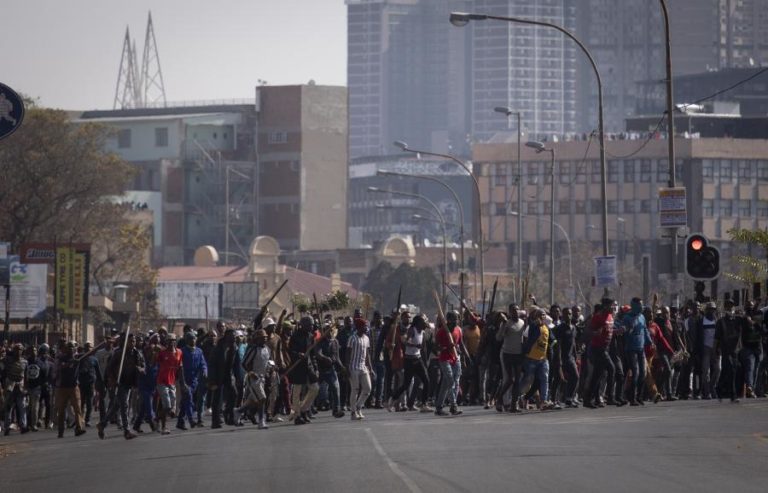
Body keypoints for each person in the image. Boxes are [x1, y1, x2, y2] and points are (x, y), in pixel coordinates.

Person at [98, 333, 144, 440]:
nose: (133, 343)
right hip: (119, 383)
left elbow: (143, 366)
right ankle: (126, 430)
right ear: (125, 342)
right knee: (124, 405)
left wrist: (140, 369)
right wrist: (112, 380)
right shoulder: (118, 354)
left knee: (117, 406)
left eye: (133, 341)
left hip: (130, 382)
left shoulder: (137, 354)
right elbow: (109, 369)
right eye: (130, 341)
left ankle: (102, 424)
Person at [56, 340, 103, 438]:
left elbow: (89, 353)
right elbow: (61, 367)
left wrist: (102, 344)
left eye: (72, 347)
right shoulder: (61, 358)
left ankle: (79, 428)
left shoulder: (78, 357)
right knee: (61, 410)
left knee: (78, 409)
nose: (71, 349)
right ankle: (61, 431)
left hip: (74, 387)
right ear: (65, 349)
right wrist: (71, 362)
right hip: (63, 387)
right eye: (69, 347)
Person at [388, 315, 432, 413]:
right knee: (406, 385)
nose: (425, 322)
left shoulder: (423, 332)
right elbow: (404, 341)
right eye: (423, 321)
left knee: (426, 381)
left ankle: (424, 404)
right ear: (418, 323)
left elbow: (423, 348)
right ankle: (392, 399)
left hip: (418, 359)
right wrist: (415, 345)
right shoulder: (412, 330)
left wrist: (425, 361)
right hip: (409, 361)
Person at [520, 308, 556, 410]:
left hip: (543, 359)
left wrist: (551, 347)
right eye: (540, 315)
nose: (542, 317)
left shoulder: (546, 328)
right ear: (535, 317)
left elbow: (552, 340)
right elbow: (530, 336)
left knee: (545, 379)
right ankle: (516, 396)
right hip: (531, 358)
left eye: (544, 315)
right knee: (527, 380)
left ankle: (544, 401)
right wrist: (535, 324)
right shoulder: (533, 326)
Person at [288, 316, 320, 425]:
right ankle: (297, 415)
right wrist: (298, 354)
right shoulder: (295, 336)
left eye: (312, 325)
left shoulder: (311, 337)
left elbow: (313, 355)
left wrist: (315, 368)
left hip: (309, 366)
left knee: (315, 388)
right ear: (303, 325)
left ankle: (304, 409)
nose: (311, 327)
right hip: (297, 367)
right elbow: (290, 351)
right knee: (297, 392)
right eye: (309, 325)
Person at [208, 328, 243, 428]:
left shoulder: (234, 347)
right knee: (217, 398)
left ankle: (229, 415)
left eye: (235, 336)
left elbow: (237, 365)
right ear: (227, 336)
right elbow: (212, 365)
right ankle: (215, 422)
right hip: (217, 375)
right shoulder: (218, 348)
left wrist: (239, 378)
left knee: (234, 394)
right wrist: (212, 381)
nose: (235, 338)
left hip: (228, 375)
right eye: (232, 336)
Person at [584, 299, 616, 408]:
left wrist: (617, 331)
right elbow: (588, 331)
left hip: (605, 348)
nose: (613, 308)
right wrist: (595, 333)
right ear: (605, 306)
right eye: (612, 306)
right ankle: (610, 397)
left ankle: (589, 399)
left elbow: (609, 330)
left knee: (597, 375)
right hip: (597, 348)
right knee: (611, 368)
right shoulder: (598, 316)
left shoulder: (610, 317)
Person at [621, 298, 653, 406]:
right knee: (635, 372)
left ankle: (639, 397)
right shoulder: (627, 318)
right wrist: (629, 329)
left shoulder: (642, 317)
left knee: (643, 373)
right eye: (639, 305)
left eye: (642, 305)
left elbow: (645, 330)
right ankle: (632, 398)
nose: (641, 307)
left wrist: (650, 342)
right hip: (631, 349)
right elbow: (625, 331)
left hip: (641, 348)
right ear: (634, 305)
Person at [240, 329, 272, 429]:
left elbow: (267, 362)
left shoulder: (267, 349)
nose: (264, 339)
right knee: (262, 398)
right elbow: (244, 363)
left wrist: (271, 368)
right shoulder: (253, 349)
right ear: (257, 339)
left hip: (263, 378)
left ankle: (238, 411)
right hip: (253, 378)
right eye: (262, 338)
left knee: (254, 400)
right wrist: (250, 372)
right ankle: (261, 421)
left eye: (265, 337)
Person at [495, 306, 525, 412]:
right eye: (512, 310)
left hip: (518, 354)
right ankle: (499, 398)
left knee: (517, 380)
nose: (515, 312)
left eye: (516, 309)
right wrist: (503, 325)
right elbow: (498, 337)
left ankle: (513, 405)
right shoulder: (506, 323)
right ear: (510, 312)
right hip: (507, 353)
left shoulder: (522, 322)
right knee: (510, 379)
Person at [435, 310, 464, 416]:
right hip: (444, 359)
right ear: (448, 320)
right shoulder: (442, 331)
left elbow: (460, 344)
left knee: (451, 383)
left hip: (456, 359)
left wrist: (463, 356)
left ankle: (439, 407)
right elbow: (435, 347)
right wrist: (447, 347)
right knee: (450, 381)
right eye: (453, 319)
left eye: (456, 319)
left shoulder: (459, 330)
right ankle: (453, 405)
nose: (455, 322)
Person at [315, 322, 346, 418]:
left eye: (331, 330)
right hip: (320, 370)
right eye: (328, 330)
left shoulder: (335, 342)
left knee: (336, 388)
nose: (330, 332)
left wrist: (342, 367)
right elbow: (318, 354)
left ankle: (336, 410)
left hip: (331, 369)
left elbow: (337, 357)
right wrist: (325, 358)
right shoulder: (319, 341)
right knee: (314, 390)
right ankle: (308, 409)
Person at [155, 333, 184, 435]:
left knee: (172, 410)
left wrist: (183, 382)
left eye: (173, 340)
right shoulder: (162, 353)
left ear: (175, 341)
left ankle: (157, 418)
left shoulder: (179, 352)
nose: (171, 342)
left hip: (172, 382)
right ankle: (164, 427)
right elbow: (155, 363)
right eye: (169, 341)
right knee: (167, 405)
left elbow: (180, 368)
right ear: (166, 342)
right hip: (162, 382)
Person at [179, 331, 207, 430]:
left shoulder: (199, 351)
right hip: (184, 380)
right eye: (190, 338)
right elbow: (179, 366)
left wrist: (204, 371)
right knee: (189, 399)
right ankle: (191, 420)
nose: (193, 340)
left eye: (194, 338)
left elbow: (203, 363)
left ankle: (180, 421)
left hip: (194, 380)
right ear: (186, 340)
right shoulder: (182, 351)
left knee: (185, 401)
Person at [715, 299, 742, 402]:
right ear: (725, 308)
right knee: (730, 370)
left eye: (732, 306)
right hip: (725, 350)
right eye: (728, 306)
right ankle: (733, 395)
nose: (730, 308)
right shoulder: (720, 322)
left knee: (729, 371)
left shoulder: (738, 320)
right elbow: (716, 338)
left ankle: (719, 388)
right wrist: (715, 350)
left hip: (735, 350)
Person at [346, 317, 373, 420]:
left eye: (366, 326)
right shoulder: (352, 338)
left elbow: (367, 354)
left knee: (368, 388)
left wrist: (370, 367)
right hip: (353, 367)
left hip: (363, 367)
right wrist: (347, 368)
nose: (366, 328)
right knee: (355, 389)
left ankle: (358, 406)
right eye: (364, 326)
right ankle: (353, 412)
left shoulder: (366, 338)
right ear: (358, 327)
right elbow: (347, 354)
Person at [555, 307, 580, 408]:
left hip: (571, 357)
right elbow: (559, 345)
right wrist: (559, 359)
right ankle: (556, 400)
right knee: (560, 379)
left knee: (575, 377)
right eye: (565, 314)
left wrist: (575, 356)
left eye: (569, 314)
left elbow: (573, 343)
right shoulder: (560, 328)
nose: (568, 316)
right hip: (562, 357)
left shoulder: (573, 327)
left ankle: (569, 398)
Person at [2, 343, 28, 435]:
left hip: (20, 386)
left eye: (20, 349)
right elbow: (3, 372)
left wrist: (26, 388)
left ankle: (23, 426)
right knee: (9, 408)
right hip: (10, 386)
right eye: (16, 349)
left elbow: (26, 375)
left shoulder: (25, 362)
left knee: (22, 407)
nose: (18, 351)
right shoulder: (7, 360)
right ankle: (7, 427)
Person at [77, 341, 101, 427]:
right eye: (86, 347)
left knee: (89, 403)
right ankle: (80, 419)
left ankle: (88, 420)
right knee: (81, 402)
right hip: (81, 383)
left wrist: (100, 383)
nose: (88, 349)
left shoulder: (94, 359)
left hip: (91, 383)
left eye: (90, 347)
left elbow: (98, 372)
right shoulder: (80, 357)